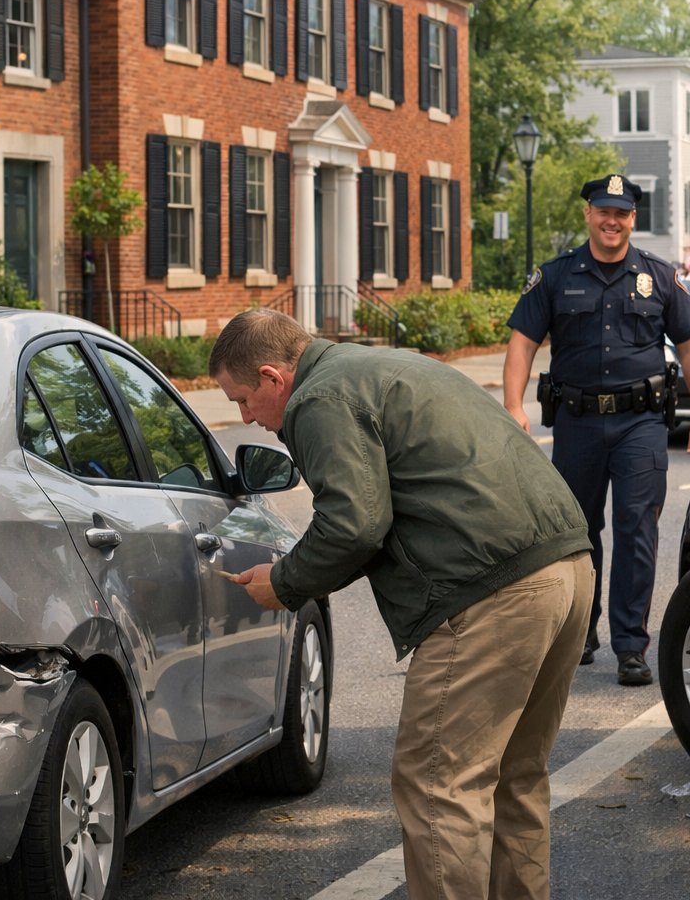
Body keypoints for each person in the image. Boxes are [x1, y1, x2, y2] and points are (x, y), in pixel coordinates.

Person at [211, 309, 593, 900]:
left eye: (241, 400)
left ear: (272, 377)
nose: (244, 418)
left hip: (491, 592)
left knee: (438, 785)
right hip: (567, 566)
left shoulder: (319, 399)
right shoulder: (374, 365)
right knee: (514, 778)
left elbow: (354, 525)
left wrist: (284, 581)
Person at [503, 173, 690, 687]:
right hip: (576, 423)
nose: (612, 221)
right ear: (589, 215)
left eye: (621, 213)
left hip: (641, 423)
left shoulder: (660, 277)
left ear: (632, 219)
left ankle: (630, 646)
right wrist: (512, 406)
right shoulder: (554, 277)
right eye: (604, 211)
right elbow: (522, 344)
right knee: (578, 534)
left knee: (636, 530)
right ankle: (581, 632)